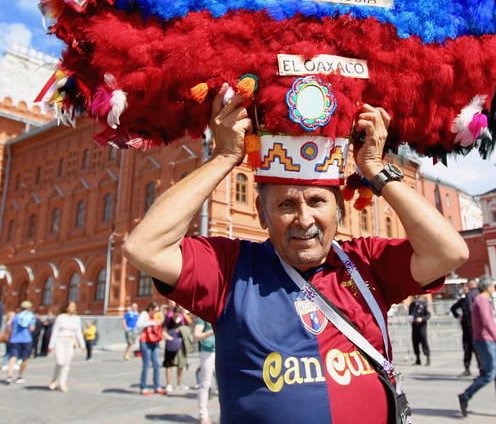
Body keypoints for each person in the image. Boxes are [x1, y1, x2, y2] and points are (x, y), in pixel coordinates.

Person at [123, 91, 469, 423]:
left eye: (317, 202)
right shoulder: (232, 269)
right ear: (261, 213)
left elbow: (449, 252)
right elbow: (145, 247)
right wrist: (224, 157)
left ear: (340, 211)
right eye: (286, 204)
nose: (304, 219)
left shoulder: (367, 262)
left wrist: (376, 169)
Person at [457, 276, 496, 417]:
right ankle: (465, 395)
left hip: (488, 340)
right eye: (493, 285)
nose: (494, 288)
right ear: (487, 287)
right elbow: (487, 323)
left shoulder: (482, 300)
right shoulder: (481, 301)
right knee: (489, 374)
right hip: (485, 341)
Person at [48, 301, 85, 392]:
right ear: (66, 307)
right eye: (71, 306)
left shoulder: (76, 318)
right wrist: (51, 345)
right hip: (59, 340)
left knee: (67, 363)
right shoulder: (61, 317)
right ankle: (54, 380)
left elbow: (78, 332)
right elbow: (55, 331)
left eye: (74, 306)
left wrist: (82, 345)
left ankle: (62, 383)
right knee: (60, 362)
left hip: (70, 341)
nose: (73, 308)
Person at [451, 279, 478, 376]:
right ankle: (467, 368)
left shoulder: (475, 297)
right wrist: (458, 316)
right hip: (466, 328)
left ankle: (482, 369)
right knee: (467, 349)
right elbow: (453, 308)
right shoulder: (462, 301)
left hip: (474, 328)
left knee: (477, 349)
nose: (466, 290)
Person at [6, 300, 37, 384]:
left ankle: (9, 376)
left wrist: (9, 337)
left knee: (13, 357)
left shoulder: (16, 316)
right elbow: (32, 328)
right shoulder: (31, 316)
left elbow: (10, 327)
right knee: (24, 358)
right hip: (26, 339)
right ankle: (20, 376)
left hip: (15, 339)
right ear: (29, 308)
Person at [136, 302, 164, 395]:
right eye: (155, 311)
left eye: (157, 311)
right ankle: (143, 387)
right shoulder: (144, 314)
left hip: (154, 341)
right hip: (145, 341)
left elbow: (161, 322)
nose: (155, 313)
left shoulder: (156, 316)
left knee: (156, 364)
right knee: (146, 365)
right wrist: (152, 322)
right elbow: (139, 324)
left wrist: (159, 316)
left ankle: (157, 387)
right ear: (150, 308)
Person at [193, 317, 216, 424]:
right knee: (205, 384)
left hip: (223, 349)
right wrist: (212, 332)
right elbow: (197, 335)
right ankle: (203, 415)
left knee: (225, 384)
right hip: (208, 351)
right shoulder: (203, 316)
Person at [163, 304, 188, 392]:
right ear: (173, 312)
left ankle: (179, 383)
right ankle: (169, 384)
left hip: (180, 343)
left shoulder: (183, 318)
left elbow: (188, 329)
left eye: (178, 313)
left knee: (180, 364)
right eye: (176, 313)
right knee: (169, 364)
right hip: (170, 343)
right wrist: (168, 337)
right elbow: (164, 329)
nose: (177, 315)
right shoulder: (168, 318)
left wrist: (182, 330)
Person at [408, 295, 431, 366]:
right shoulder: (412, 305)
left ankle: (427, 358)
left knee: (424, 341)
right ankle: (418, 359)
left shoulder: (423, 305)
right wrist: (410, 319)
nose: (416, 299)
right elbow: (410, 315)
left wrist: (422, 319)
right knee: (415, 342)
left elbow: (428, 315)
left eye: (417, 297)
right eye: (415, 297)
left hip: (422, 326)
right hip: (414, 327)